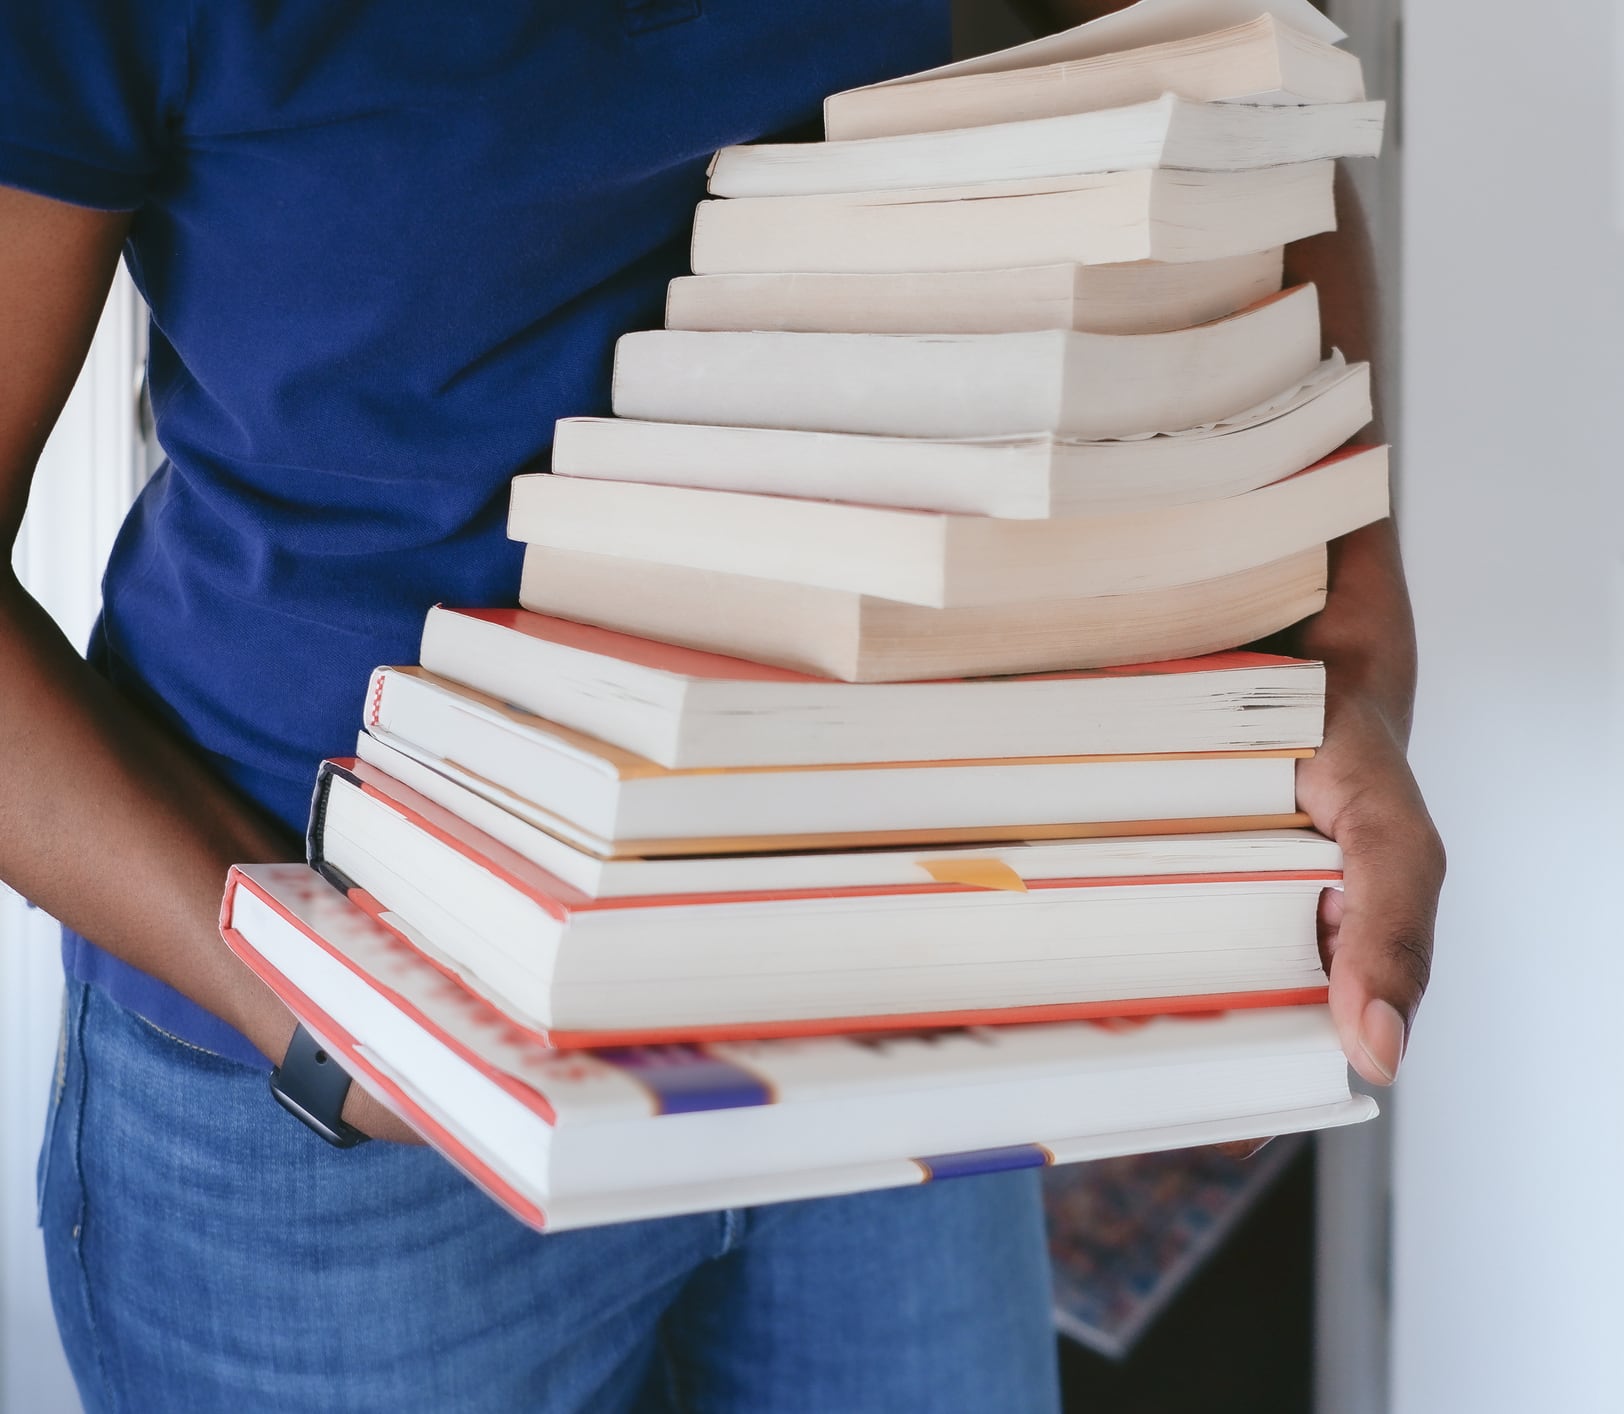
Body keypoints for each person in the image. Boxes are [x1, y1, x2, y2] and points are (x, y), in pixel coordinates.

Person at [0, 1, 1445, 1409]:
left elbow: (1242, 95)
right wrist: (315, 1001)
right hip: (355, 1091)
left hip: (873, 951)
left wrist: (1349, 660)